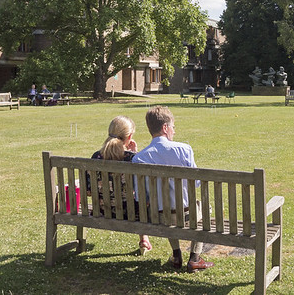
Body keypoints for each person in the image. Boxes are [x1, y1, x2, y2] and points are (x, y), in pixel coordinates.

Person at [132, 106, 215, 273]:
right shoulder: (183, 149)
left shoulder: (139, 157)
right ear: (165, 127)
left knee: (167, 206)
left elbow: (141, 196)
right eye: (173, 127)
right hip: (186, 215)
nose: (174, 131)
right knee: (206, 209)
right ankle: (195, 258)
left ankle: (176, 254)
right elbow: (197, 183)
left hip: (158, 216)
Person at [91, 116, 151, 254]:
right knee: (142, 200)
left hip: (102, 210)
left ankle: (144, 239)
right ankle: (144, 238)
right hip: (130, 212)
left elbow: (89, 190)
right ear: (129, 137)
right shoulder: (132, 158)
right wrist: (135, 153)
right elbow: (143, 187)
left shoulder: (96, 157)